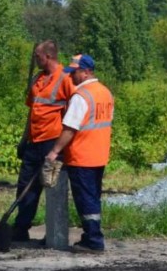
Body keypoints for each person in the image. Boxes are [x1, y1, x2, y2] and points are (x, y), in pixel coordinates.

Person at [45, 54, 114, 254]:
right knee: (93, 198)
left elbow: (69, 129)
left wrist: (55, 151)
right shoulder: (105, 93)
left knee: (85, 200)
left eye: (74, 73)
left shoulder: (81, 96)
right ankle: (91, 235)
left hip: (81, 156)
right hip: (99, 155)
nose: (70, 77)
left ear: (85, 72)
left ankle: (93, 240)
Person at [12, 40, 73, 242]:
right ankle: (21, 229)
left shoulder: (66, 79)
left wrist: (62, 146)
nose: (35, 60)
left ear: (48, 56)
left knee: (52, 185)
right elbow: (32, 111)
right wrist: (24, 139)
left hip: (53, 141)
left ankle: (55, 233)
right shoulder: (38, 79)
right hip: (34, 141)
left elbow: (73, 112)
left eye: (37, 56)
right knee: (25, 186)